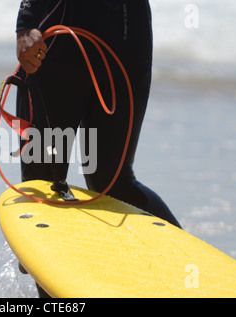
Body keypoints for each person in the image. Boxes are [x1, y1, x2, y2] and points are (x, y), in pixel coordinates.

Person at [14, 0, 181, 297]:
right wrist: (26, 20)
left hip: (127, 31)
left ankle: (190, 277)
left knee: (111, 182)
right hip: (60, 30)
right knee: (44, 190)